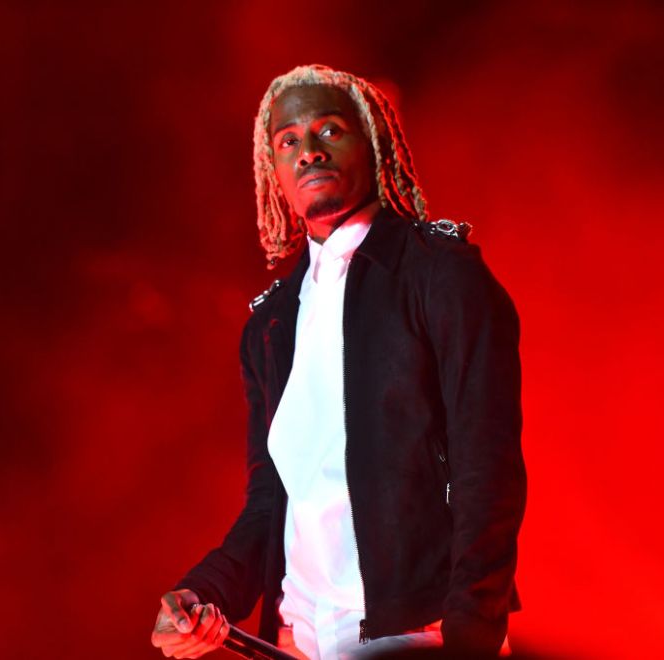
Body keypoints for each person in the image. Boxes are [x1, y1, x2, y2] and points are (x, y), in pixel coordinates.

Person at [151, 64, 526, 660]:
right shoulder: (271, 325)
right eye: (288, 141)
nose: (308, 151)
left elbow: (490, 475)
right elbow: (273, 502)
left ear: (373, 143)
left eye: (329, 130)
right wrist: (203, 593)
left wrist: (471, 636)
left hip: (416, 637)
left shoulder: (441, 276)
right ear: (272, 170)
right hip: (296, 639)